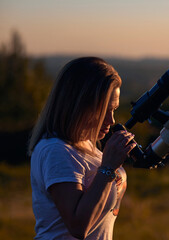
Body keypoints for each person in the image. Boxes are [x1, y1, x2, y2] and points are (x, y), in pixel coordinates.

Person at [28, 57, 136, 239]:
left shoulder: (85, 144)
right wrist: (108, 167)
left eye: (114, 110)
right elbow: (78, 226)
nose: (112, 120)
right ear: (77, 106)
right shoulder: (56, 151)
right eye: (103, 110)